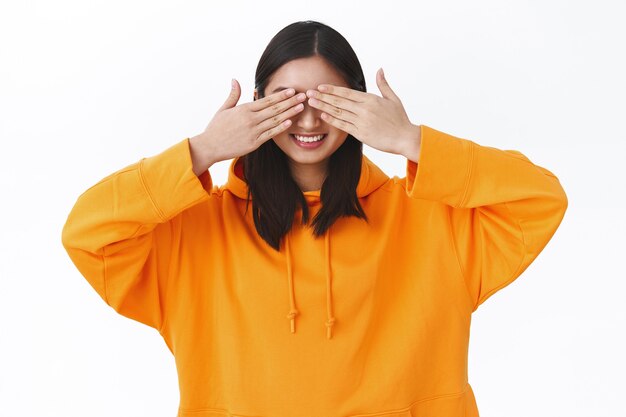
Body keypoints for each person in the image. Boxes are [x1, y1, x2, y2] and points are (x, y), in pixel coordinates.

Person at [61, 20, 568, 417]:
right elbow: (89, 234)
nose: (308, 119)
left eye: (329, 100)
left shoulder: (431, 221)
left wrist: (412, 141)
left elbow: (539, 200)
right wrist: (201, 151)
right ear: (256, 104)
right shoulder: (196, 231)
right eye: (287, 100)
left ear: (360, 105)